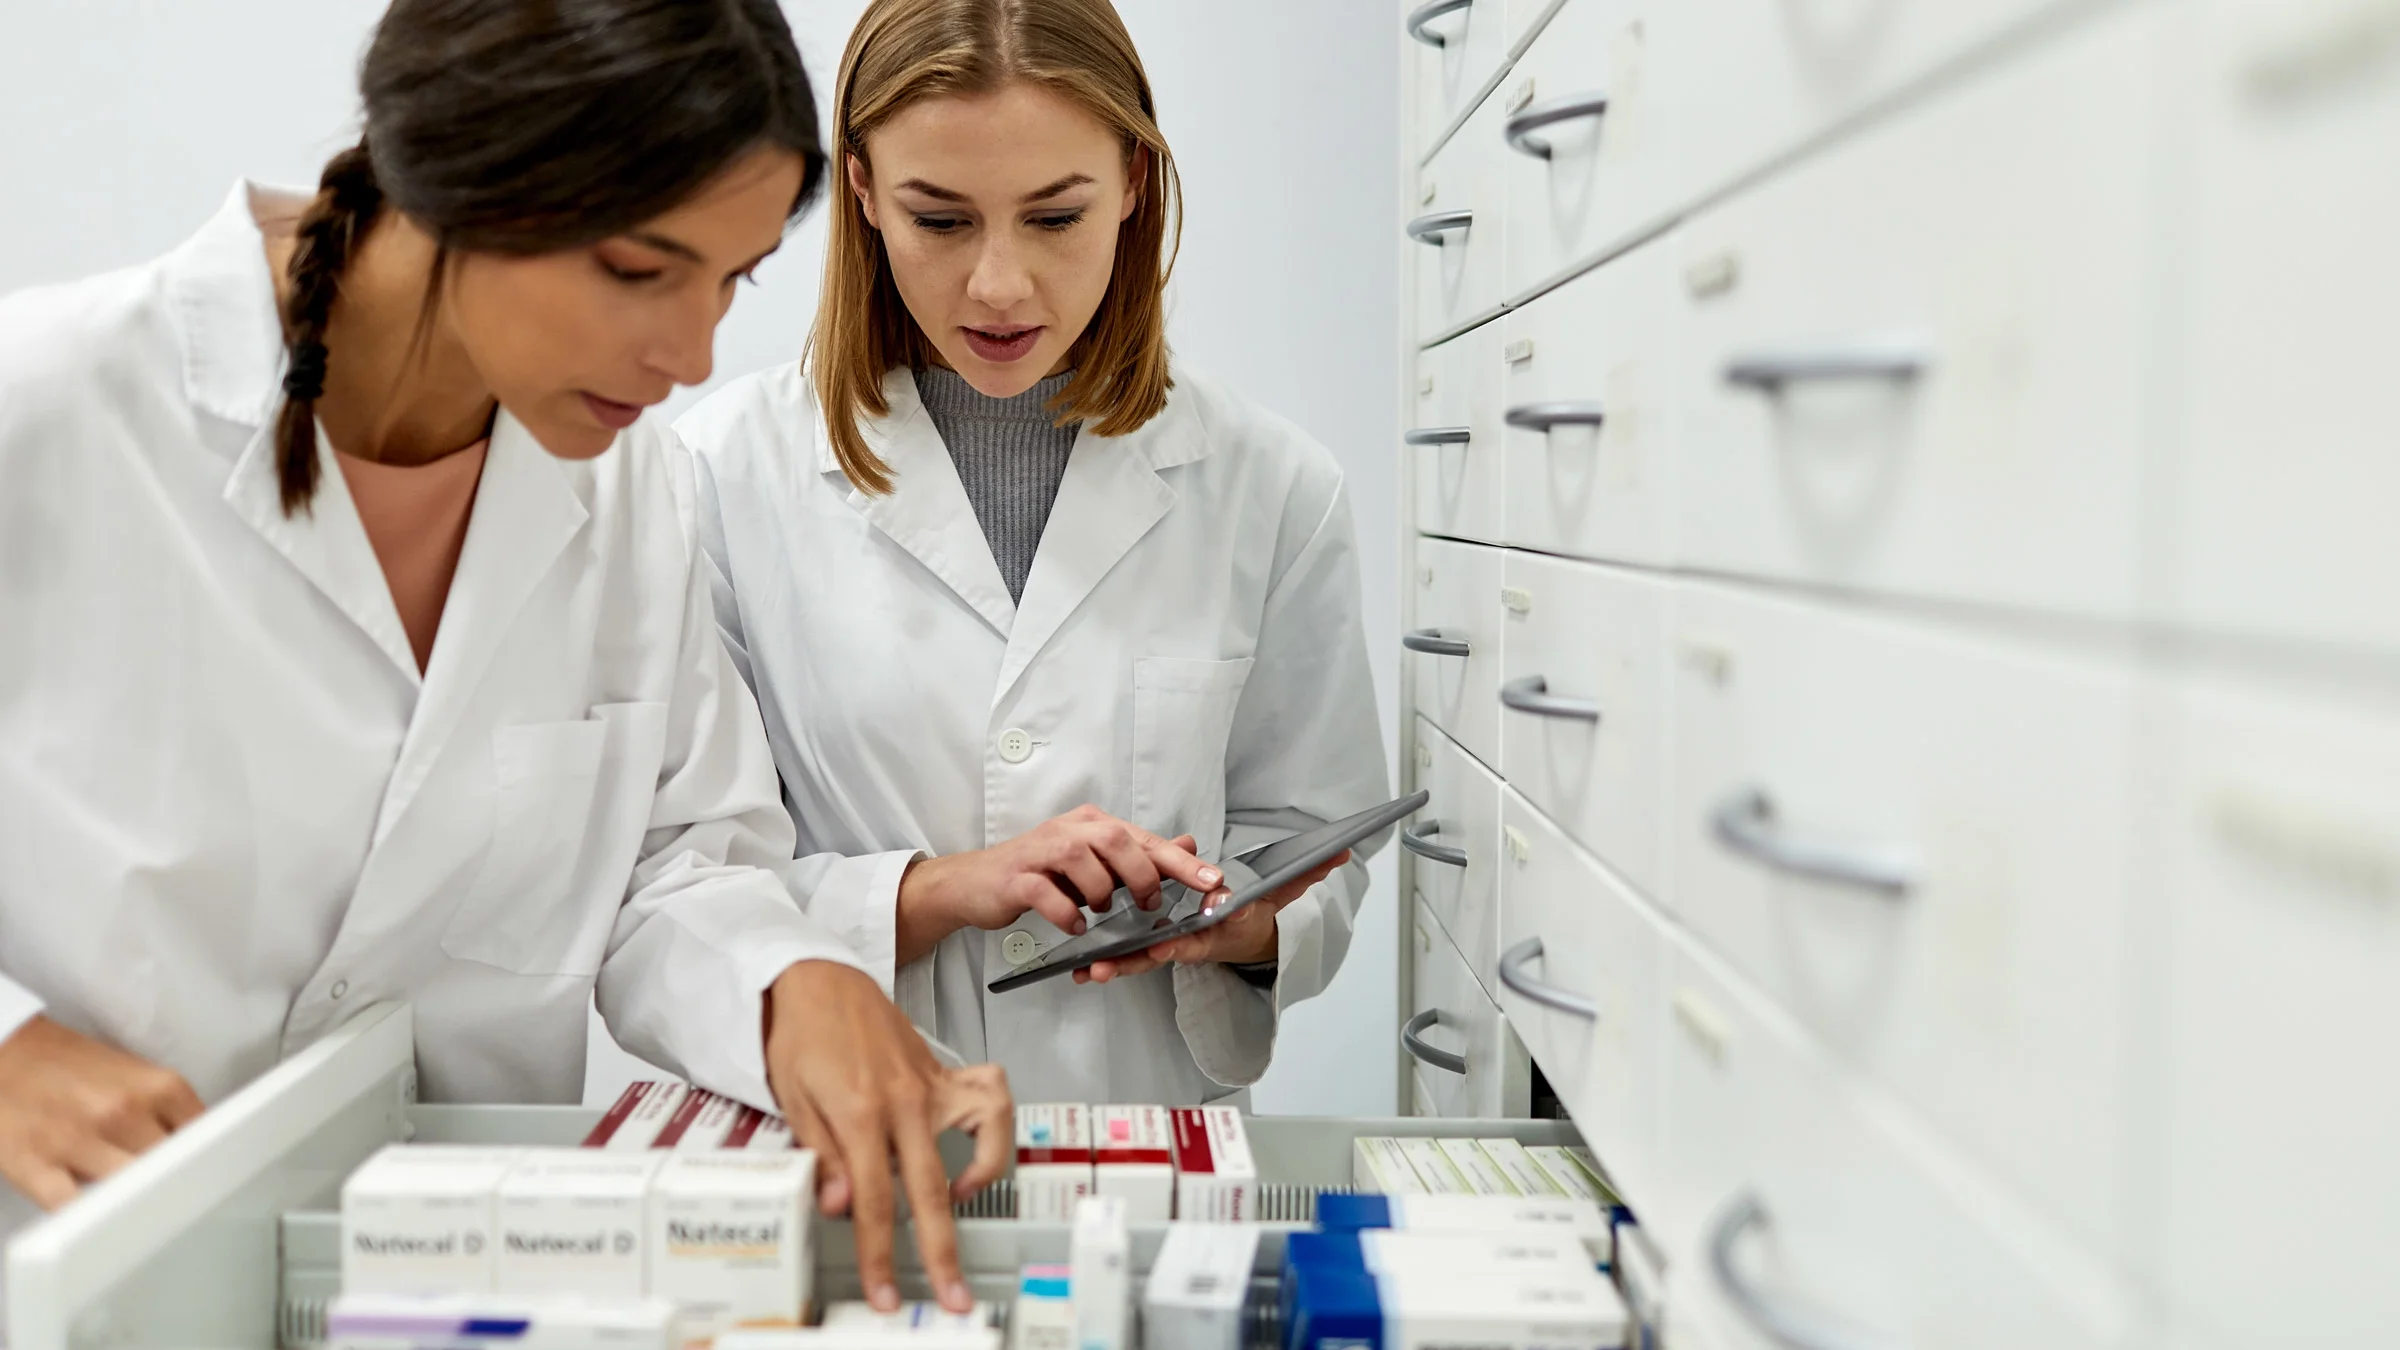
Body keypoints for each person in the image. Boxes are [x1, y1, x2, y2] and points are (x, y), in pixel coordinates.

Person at [0, 0, 1002, 1314]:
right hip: (56, 1267)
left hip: (429, 1280)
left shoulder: (629, 491)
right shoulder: (51, 403)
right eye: (645, 268)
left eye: (733, 279)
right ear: (461, 181)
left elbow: (673, 852)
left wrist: (792, 978)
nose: (691, 352)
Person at [678, 0, 1391, 1107]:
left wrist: (1236, 921)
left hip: (1154, 1151)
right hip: (858, 1124)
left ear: (1135, 182)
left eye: (1056, 218)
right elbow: (688, 884)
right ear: (862, 188)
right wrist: (938, 892)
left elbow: (1317, 847)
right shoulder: (720, 475)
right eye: (942, 221)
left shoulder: (1272, 487)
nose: (999, 286)